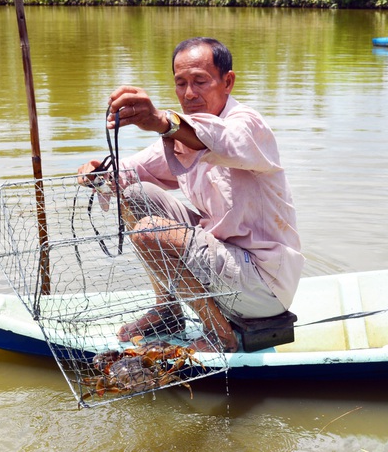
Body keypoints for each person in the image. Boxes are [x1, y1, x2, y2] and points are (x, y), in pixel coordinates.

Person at [78, 37, 304, 352]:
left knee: (149, 232)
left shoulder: (247, 125)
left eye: (200, 81)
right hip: (223, 262)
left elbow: (216, 140)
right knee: (133, 195)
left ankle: (219, 336)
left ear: (228, 82)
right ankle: (167, 312)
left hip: (262, 285)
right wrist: (95, 173)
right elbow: (129, 171)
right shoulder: (179, 135)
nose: (189, 93)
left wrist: (160, 121)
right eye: (181, 83)